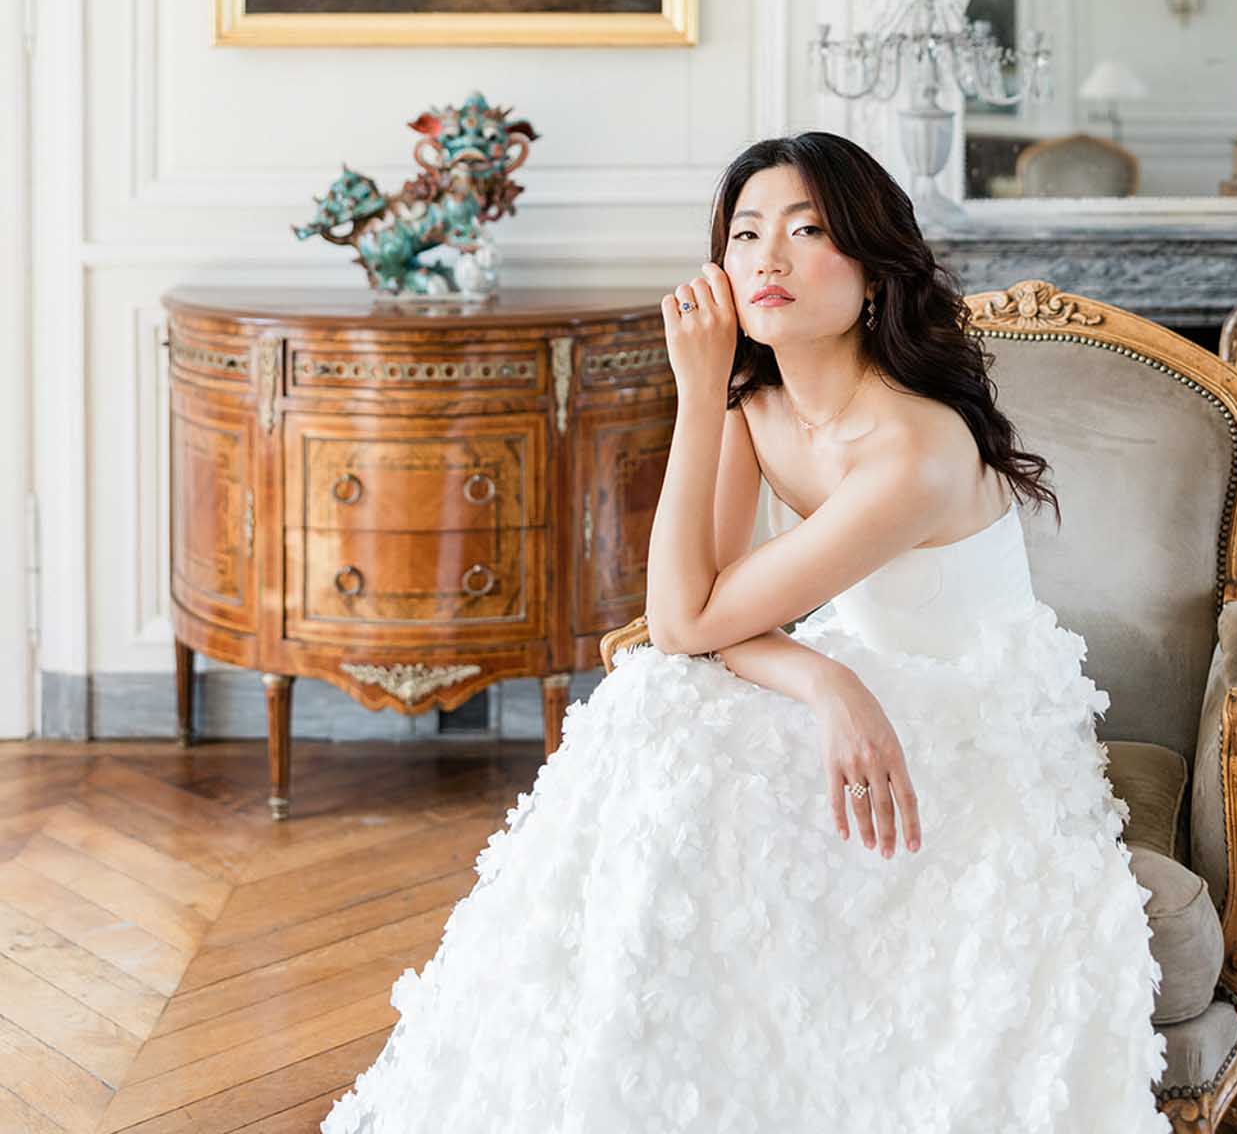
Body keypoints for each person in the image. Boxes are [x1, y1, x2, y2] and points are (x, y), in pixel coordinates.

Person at [320, 131, 1169, 1133]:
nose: (766, 257)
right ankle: (596, 1071)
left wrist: (814, 667)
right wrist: (821, 677)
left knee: (667, 717)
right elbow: (686, 614)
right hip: (862, 682)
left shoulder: (913, 448)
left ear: (872, 269)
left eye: (808, 230)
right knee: (655, 706)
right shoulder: (754, 399)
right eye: (746, 232)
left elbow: (688, 617)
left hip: (974, 720)